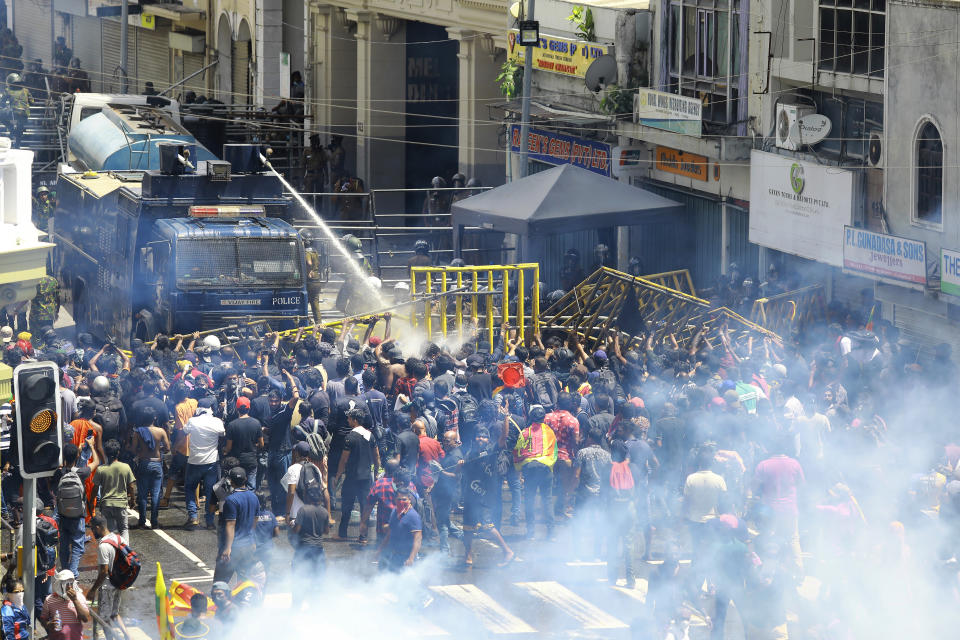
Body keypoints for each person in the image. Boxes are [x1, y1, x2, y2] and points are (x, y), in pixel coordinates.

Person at [334, 407, 379, 540]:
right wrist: (376, 472)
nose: (347, 420)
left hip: (352, 478)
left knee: (347, 506)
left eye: (349, 418)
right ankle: (363, 536)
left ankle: (342, 534)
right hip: (366, 478)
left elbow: (344, 459)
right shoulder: (370, 435)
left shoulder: (350, 437)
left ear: (355, 420)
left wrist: (338, 475)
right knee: (365, 507)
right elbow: (376, 457)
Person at [514, 405, 558, 539]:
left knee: (529, 500)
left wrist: (518, 470)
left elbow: (517, 451)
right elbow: (554, 450)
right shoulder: (550, 432)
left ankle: (530, 533)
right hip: (545, 468)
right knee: (547, 500)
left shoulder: (525, 432)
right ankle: (551, 534)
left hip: (530, 468)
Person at [183, 397, 225, 530]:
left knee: (190, 488)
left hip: (194, 461)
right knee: (210, 492)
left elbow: (184, 431)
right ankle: (210, 521)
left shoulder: (192, 421)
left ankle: (193, 516)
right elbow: (222, 433)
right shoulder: (217, 421)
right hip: (211, 462)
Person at [86, 516, 130, 640]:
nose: (92, 532)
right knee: (114, 614)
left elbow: (104, 572)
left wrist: (93, 589)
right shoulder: (119, 538)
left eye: (93, 528)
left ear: (98, 528)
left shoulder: (103, 546)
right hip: (119, 582)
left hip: (107, 586)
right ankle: (128, 637)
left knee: (104, 619)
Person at [215, 467, 259, 583]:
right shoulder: (254, 497)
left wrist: (227, 548)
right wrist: (252, 539)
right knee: (244, 583)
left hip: (234, 548)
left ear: (231, 482)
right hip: (248, 546)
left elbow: (230, 524)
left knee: (220, 583)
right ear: (246, 479)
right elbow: (255, 520)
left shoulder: (231, 500)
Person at [55, 444, 91, 578]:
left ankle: (64, 571)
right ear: (77, 456)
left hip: (63, 513)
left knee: (64, 544)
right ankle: (74, 572)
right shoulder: (82, 472)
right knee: (77, 544)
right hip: (78, 515)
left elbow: (52, 488)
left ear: (63, 456)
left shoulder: (59, 473)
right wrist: (92, 445)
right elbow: (98, 462)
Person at [92, 439, 136, 543]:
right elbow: (131, 487)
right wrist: (132, 500)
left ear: (106, 453)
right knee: (124, 529)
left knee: (109, 531)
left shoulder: (101, 469)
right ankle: (126, 554)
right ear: (118, 452)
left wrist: (91, 502)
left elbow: (95, 488)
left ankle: (111, 554)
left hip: (106, 505)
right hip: (121, 504)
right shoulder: (126, 467)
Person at [132, 407, 169, 529]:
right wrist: (158, 449)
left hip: (143, 463)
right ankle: (154, 521)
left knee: (142, 494)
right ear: (155, 418)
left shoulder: (138, 432)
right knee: (156, 493)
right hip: (157, 463)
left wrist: (140, 451)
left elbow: (133, 449)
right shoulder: (161, 431)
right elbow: (168, 448)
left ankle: (142, 521)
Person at [376, 488, 422, 571]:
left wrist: (411, 558)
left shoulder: (413, 516)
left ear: (409, 500)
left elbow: (418, 539)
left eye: (404, 499)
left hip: (406, 558)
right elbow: (390, 533)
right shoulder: (394, 512)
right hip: (394, 556)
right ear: (395, 499)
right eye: (399, 499)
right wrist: (380, 549)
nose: (401, 502)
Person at [224, 397, 263, 489]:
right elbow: (261, 444)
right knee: (251, 486)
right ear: (249, 408)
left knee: (236, 485)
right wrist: (254, 445)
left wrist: (224, 450)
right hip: (251, 460)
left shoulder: (232, 425)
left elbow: (228, 447)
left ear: (237, 409)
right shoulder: (256, 423)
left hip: (237, 461)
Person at [40, 570, 90, 640]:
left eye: (71, 583)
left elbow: (86, 619)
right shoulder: (49, 599)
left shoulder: (79, 597)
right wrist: (48, 625)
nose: (69, 586)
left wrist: (75, 600)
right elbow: (43, 618)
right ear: (58, 584)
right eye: (65, 583)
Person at [1, 72, 30, 146]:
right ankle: (17, 144)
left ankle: (11, 129)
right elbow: (32, 101)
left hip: (13, 113)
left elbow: (2, 102)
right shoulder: (26, 90)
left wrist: (6, 107)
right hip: (24, 114)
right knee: (19, 128)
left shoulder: (8, 90)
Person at [1, 575, 29, 640]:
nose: (20, 594)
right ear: (9, 594)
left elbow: (27, 622)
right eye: (16, 592)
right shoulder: (7, 609)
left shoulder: (22, 606)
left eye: (22, 591)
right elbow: (7, 632)